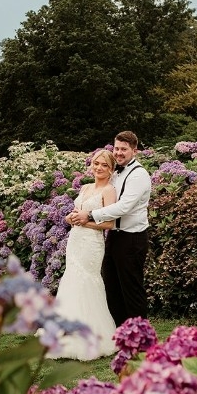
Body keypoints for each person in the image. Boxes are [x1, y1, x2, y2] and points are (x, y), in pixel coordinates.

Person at [71, 130, 151, 326]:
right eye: (116, 148)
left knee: (131, 288)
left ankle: (141, 336)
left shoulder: (138, 175)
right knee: (112, 287)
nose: (119, 152)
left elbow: (123, 207)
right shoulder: (116, 174)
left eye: (124, 149)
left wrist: (89, 215)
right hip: (114, 236)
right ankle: (120, 332)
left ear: (135, 151)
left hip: (132, 238)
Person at [49, 149, 118, 360]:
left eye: (104, 165)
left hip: (92, 243)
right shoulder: (86, 187)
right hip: (75, 240)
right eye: (97, 163)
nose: (99, 168)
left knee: (88, 281)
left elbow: (110, 223)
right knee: (71, 279)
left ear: (111, 169)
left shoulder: (109, 190)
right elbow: (75, 213)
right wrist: (71, 218)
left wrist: (85, 222)